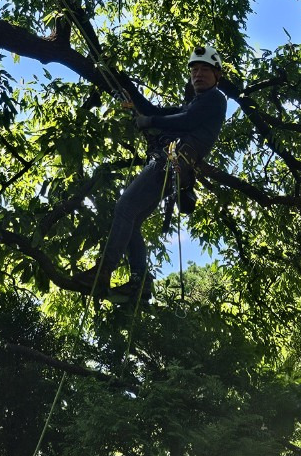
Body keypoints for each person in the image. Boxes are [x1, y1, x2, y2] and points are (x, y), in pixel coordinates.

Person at [82, 44, 228, 300]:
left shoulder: (215, 99)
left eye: (205, 69)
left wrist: (150, 122)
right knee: (133, 220)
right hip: (171, 167)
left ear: (217, 74)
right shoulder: (193, 104)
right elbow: (159, 112)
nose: (198, 74)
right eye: (194, 70)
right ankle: (140, 283)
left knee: (125, 207)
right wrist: (130, 98)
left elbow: (185, 121)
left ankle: (103, 272)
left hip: (170, 163)